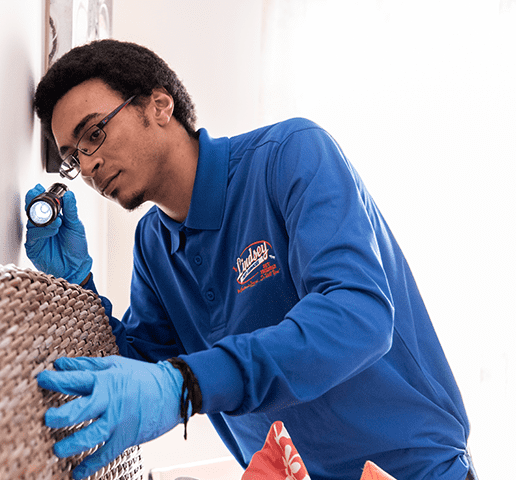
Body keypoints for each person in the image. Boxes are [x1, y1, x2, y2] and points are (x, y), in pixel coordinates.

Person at [25, 39, 476, 480]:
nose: (87, 165)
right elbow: (138, 373)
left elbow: (358, 317)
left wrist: (185, 385)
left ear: (160, 105)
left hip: (411, 469)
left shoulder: (290, 155)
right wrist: (77, 284)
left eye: (94, 134)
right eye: (72, 158)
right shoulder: (153, 242)